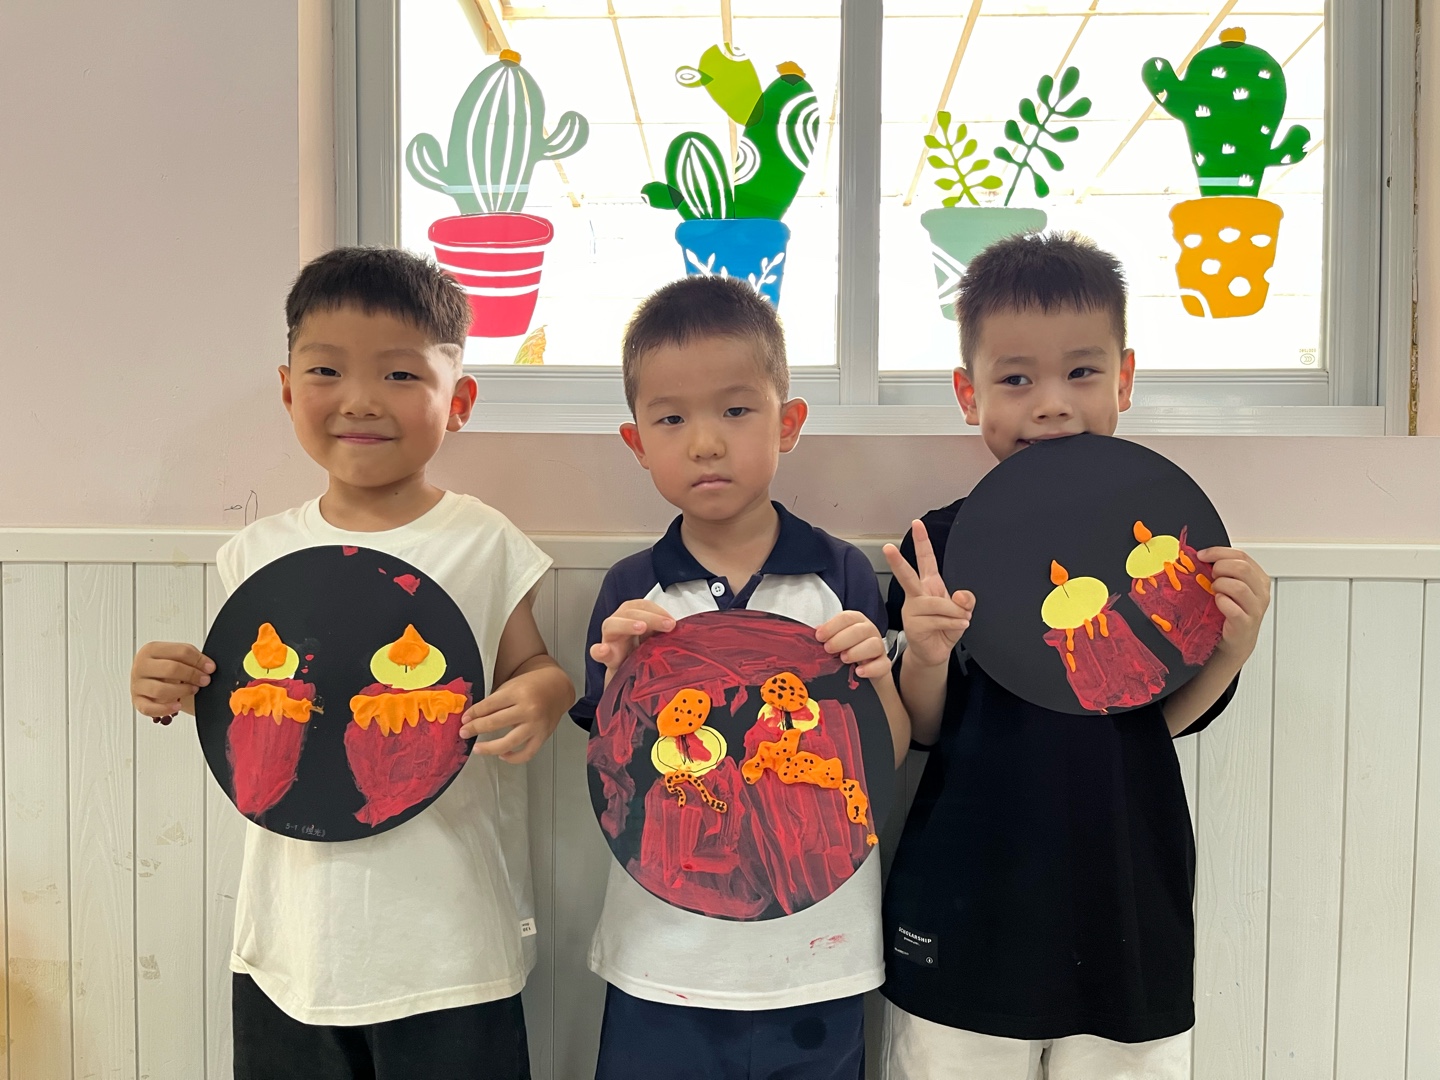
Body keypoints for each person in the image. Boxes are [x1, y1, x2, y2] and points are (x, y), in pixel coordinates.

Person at [128, 247, 574, 1080]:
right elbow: (248, 699)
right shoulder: (254, 553)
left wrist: (545, 694)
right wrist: (168, 684)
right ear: (288, 390)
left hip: (450, 946)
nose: (361, 400)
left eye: (401, 375)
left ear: (459, 400)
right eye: (327, 370)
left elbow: (534, 666)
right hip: (291, 947)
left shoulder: (482, 540)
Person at [880, 232, 1272, 1079]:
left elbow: (1161, 719)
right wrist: (928, 651)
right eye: (1016, 379)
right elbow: (923, 730)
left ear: (1124, 379)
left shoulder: (1171, 546)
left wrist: (1232, 647)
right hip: (967, 906)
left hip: (1126, 907)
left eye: (1082, 372)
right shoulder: (936, 549)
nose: (1051, 405)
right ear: (969, 393)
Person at [571, 275, 910, 1080]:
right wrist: (622, 681)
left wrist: (879, 675)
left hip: (819, 952)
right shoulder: (633, 592)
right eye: (672, 419)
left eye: (734, 410)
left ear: (787, 422)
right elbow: (615, 775)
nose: (705, 443)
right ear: (636, 442)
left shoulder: (840, 577)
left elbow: (883, 759)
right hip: (661, 958)